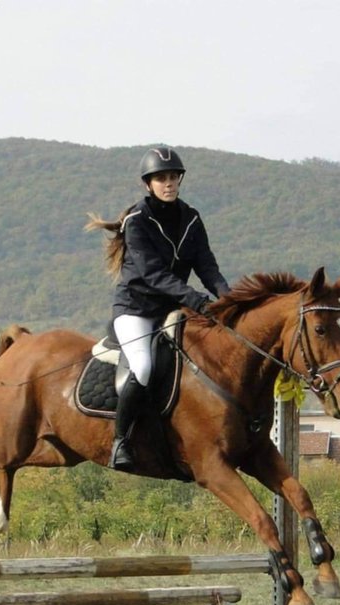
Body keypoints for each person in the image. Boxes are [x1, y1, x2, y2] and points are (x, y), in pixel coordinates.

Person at [86, 146, 231, 471]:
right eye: (161, 178)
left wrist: (228, 299)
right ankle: (121, 442)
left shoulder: (191, 218)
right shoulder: (137, 221)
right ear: (148, 184)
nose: (168, 183)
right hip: (135, 310)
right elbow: (153, 275)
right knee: (144, 366)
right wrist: (195, 299)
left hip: (172, 311)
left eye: (172, 177)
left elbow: (207, 266)